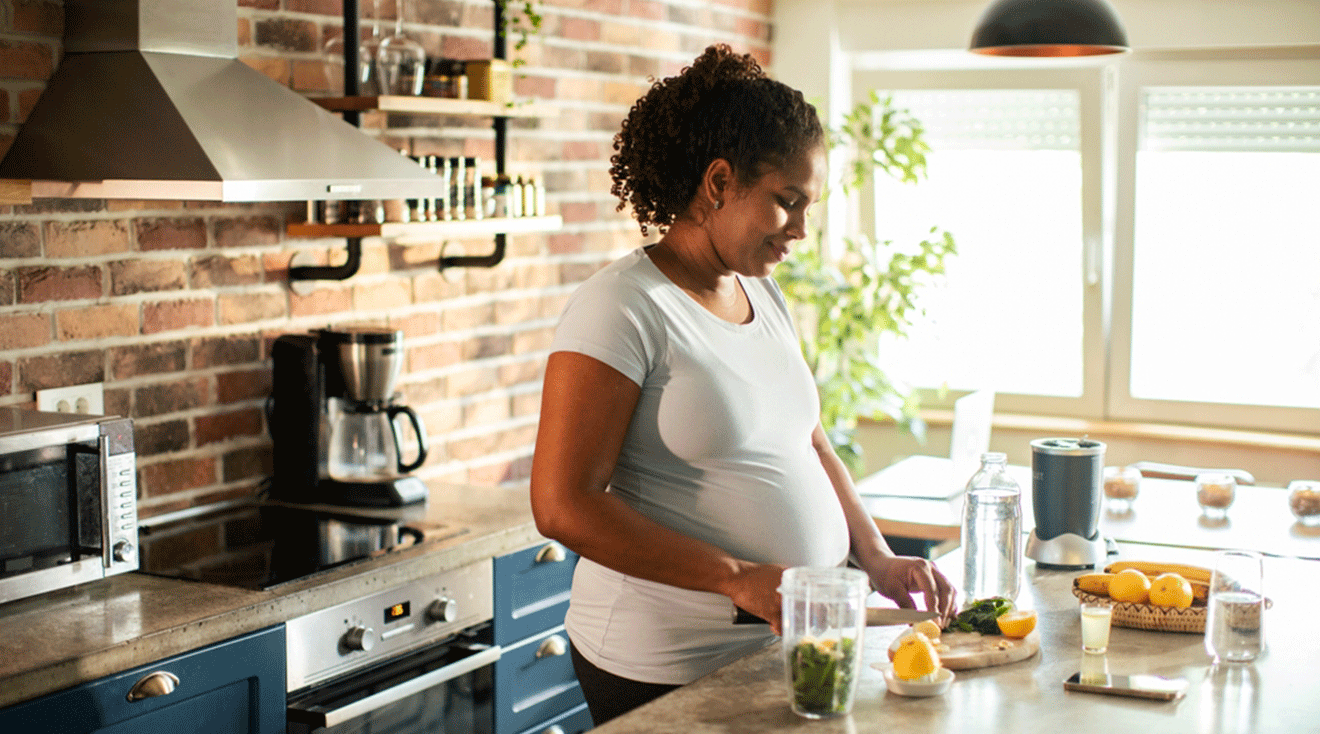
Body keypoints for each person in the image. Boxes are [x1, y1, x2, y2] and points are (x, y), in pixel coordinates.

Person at [529, 44, 957, 725]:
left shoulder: (765, 297)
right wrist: (739, 580)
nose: (802, 231)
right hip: (664, 664)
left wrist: (875, 556)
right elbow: (562, 504)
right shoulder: (622, 307)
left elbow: (809, 444)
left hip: (776, 647)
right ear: (719, 182)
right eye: (787, 202)